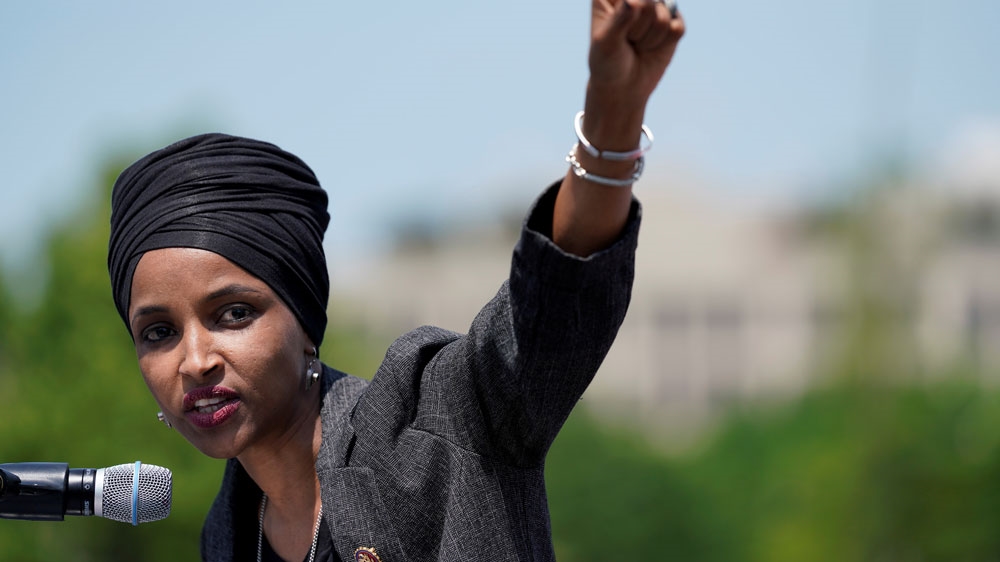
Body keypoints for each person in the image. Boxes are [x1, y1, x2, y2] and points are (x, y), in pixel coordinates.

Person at [107, 0, 684, 560]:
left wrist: (613, 112)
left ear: (304, 323)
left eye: (233, 314)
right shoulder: (226, 536)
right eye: (159, 332)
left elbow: (554, 300)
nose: (195, 361)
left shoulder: (441, 422)